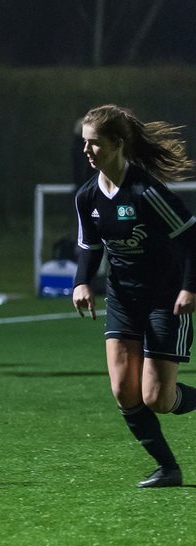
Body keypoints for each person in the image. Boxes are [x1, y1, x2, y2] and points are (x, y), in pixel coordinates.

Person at [72, 104, 196, 488]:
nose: (87, 151)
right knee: (124, 390)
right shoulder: (88, 196)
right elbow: (89, 246)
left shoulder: (146, 191)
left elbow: (191, 239)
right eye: (84, 144)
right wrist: (81, 282)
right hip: (123, 300)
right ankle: (167, 469)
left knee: (157, 397)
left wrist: (190, 287)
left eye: (94, 144)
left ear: (118, 143)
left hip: (165, 298)